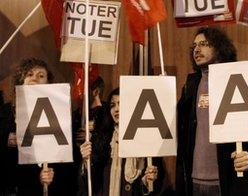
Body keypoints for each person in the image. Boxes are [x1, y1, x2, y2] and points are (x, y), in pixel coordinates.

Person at [176, 27, 248, 196]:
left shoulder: (239, 77)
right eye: (194, 46)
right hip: (194, 180)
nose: (197, 49)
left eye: (203, 44)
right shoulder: (191, 85)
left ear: (219, 47)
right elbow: (178, 130)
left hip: (227, 181)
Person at [8, 58, 78, 195]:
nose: (34, 78)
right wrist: (6, 140)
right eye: (29, 74)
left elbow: (66, 158)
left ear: (48, 83)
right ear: (21, 81)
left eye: (41, 76)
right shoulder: (5, 113)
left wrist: (50, 175)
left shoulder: (59, 112)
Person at [80, 88, 162, 195]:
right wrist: (87, 162)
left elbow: (150, 185)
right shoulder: (103, 138)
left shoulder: (144, 140)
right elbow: (91, 183)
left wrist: (147, 181)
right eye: (112, 105)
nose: (116, 109)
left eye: (120, 104)